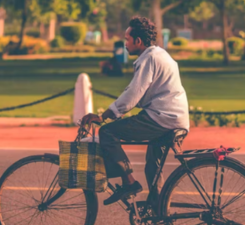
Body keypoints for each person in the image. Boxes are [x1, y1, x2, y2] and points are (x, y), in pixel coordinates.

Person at [80, 16, 190, 205]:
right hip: (174, 118)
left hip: (162, 118)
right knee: (152, 168)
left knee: (107, 132)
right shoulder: (160, 54)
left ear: (138, 41)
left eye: (127, 39)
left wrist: (103, 116)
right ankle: (158, 210)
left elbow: (133, 93)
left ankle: (129, 183)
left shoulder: (149, 58)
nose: (125, 44)